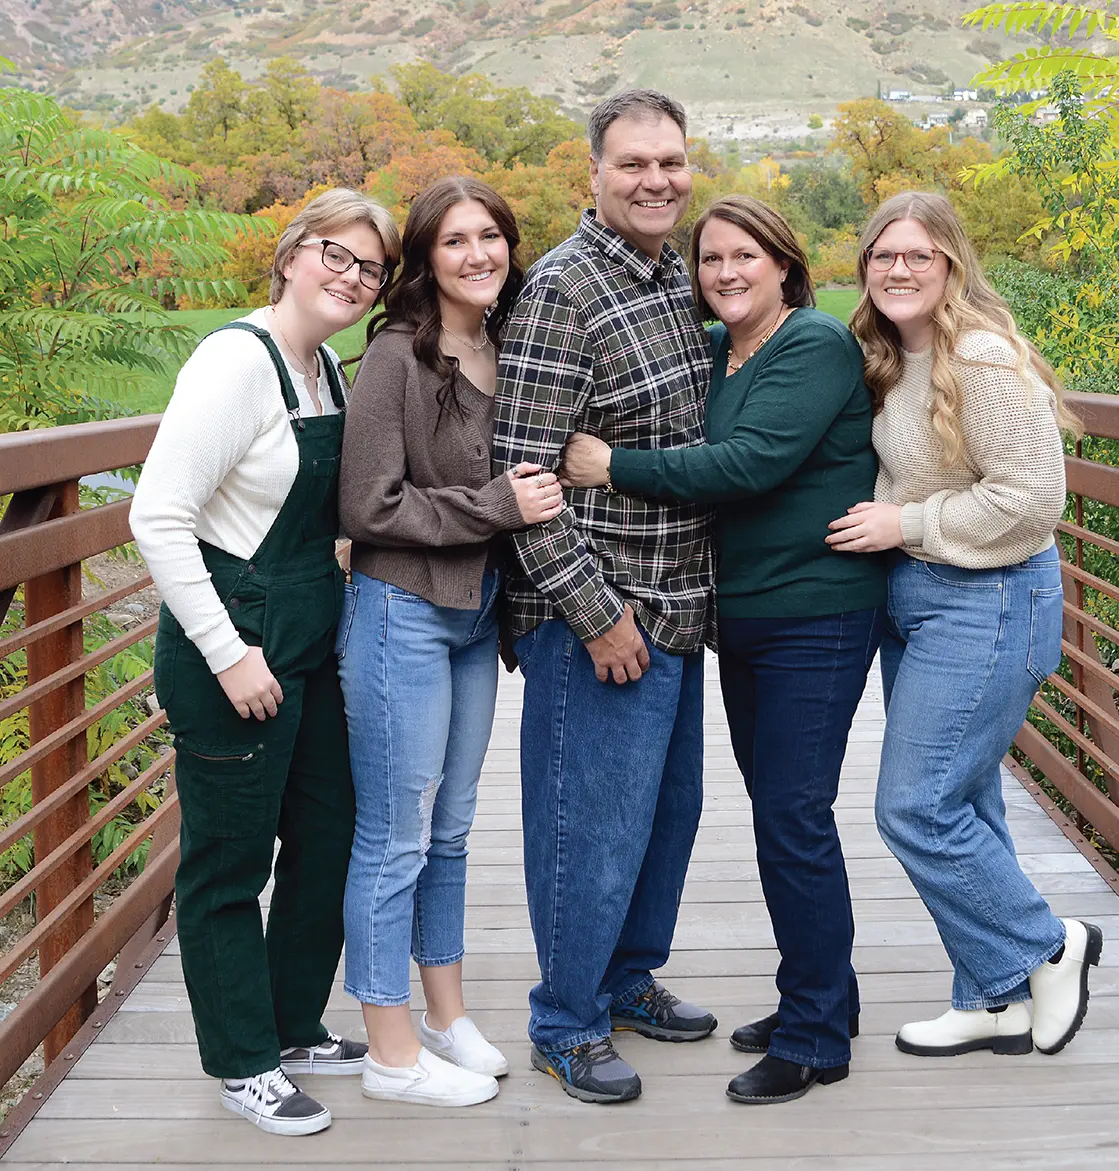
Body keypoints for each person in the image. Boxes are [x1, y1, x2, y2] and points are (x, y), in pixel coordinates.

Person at [558, 194, 887, 1105]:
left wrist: (608, 467)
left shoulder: (814, 345)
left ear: (785, 265)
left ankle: (816, 1036)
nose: (726, 272)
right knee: (781, 811)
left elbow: (749, 462)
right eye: (710, 260)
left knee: (793, 817)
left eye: (746, 255)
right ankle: (826, 997)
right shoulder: (714, 351)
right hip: (741, 614)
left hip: (814, 615)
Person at [130, 188, 400, 1136]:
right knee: (227, 863)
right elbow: (156, 516)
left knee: (331, 837)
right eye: (336, 253)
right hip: (231, 647)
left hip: (309, 642)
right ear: (290, 254)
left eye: (370, 268)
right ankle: (244, 1060)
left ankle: (292, 1023)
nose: (351, 278)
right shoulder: (233, 364)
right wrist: (228, 653)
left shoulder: (321, 366)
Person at [826, 190, 1101, 1059]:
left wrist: (901, 525)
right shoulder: (891, 354)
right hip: (923, 601)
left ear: (951, 266)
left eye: (920, 255)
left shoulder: (978, 356)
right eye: (884, 255)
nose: (899, 269)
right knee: (967, 802)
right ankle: (993, 997)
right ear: (864, 268)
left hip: (991, 600)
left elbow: (1032, 499)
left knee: (914, 806)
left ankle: (1049, 944)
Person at [491, 88, 719, 1105]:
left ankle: (627, 982)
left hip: (680, 605)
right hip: (600, 619)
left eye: (671, 161)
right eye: (634, 163)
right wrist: (597, 615)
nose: (656, 179)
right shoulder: (561, 291)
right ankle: (567, 1019)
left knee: (665, 819)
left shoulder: (673, 277)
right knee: (589, 826)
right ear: (594, 172)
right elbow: (523, 476)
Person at [335, 176, 565, 1108]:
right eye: (456, 241)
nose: (479, 254)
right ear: (427, 259)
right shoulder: (396, 356)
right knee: (397, 836)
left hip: (475, 618)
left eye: (492, 237)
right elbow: (369, 504)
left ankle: (444, 1013)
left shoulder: (508, 342)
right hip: (401, 613)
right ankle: (389, 1052)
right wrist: (497, 506)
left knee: (454, 828)